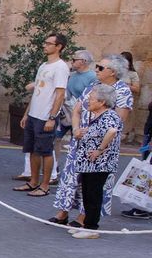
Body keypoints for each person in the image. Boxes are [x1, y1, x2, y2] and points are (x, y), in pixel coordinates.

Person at [55, 54, 133, 225]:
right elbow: (77, 110)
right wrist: (76, 129)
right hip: (79, 141)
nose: (96, 70)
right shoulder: (92, 86)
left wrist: (96, 140)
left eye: (100, 67)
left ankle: (85, 218)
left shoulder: (122, 90)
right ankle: (63, 212)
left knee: (92, 184)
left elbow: (117, 122)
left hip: (100, 147)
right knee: (71, 177)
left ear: (113, 72)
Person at [15, 34, 69, 198]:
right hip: (34, 114)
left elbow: (60, 94)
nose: (44, 46)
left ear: (58, 46)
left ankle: (44, 185)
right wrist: (26, 113)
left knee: (45, 151)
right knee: (32, 149)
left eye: (48, 43)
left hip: (46, 115)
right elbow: (37, 91)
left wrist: (52, 118)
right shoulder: (44, 65)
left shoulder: (60, 67)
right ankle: (33, 181)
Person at [67, 83, 122, 239]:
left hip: (99, 164)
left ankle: (92, 227)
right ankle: (86, 224)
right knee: (87, 193)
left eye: (91, 98)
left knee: (93, 194)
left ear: (102, 102)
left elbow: (112, 131)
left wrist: (100, 149)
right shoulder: (97, 115)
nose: (88, 101)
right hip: (90, 164)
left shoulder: (109, 115)